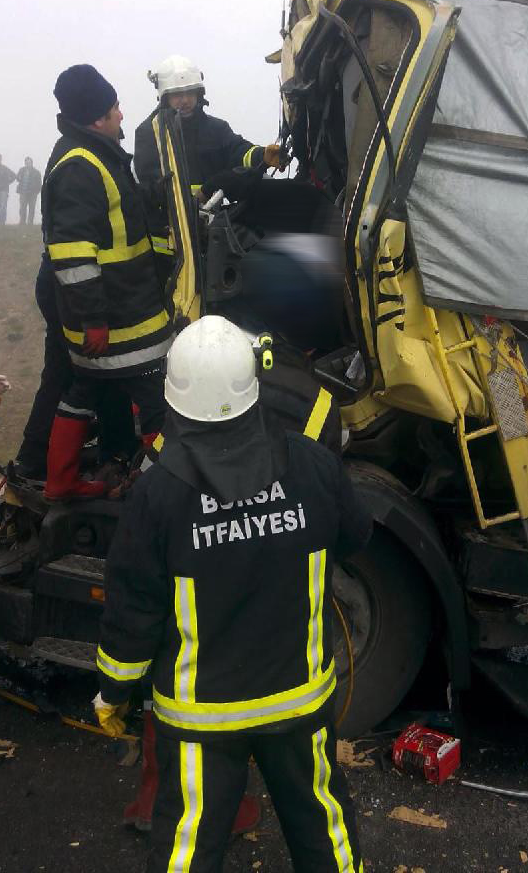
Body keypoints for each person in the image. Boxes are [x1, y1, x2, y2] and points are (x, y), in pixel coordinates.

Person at [94, 315, 371, 873]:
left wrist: (113, 693)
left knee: (188, 846)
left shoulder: (157, 494)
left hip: (203, 719)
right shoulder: (313, 465)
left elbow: (134, 610)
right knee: (323, 826)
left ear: (175, 396)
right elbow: (353, 537)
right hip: (297, 700)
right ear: (254, 385)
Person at [42, 64, 172, 499]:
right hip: (120, 318)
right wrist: (93, 319)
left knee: (84, 389)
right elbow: (73, 255)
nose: (121, 113)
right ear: (98, 118)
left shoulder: (97, 155)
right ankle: (163, 488)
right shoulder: (81, 166)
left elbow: (117, 219)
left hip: (117, 312)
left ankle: (62, 481)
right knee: (157, 398)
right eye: (115, 107)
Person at [134, 54, 284, 202]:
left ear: (198, 94)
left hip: (213, 214)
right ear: (165, 98)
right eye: (177, 94)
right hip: (172, 216)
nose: (185, 100)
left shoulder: (216, 129)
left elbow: (238, 151)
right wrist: (192, 200)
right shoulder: (149, 133)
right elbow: (150, 185)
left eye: (190, 92)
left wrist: (261, 155)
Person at [16, 157, 42, 224]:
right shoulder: (21, 170)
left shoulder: (36, 172)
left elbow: (39, 183)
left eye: (29, 162)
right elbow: (18, 178)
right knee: (22, 208)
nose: (28, 164)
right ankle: (22, 222)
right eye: (26, 163)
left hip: (33, 193)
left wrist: (36, 192)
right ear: (25, 163)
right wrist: (19, 178)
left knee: (32, 208)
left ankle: (30, 223)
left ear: (32, 163)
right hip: (23, 192)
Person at [0, 154, 16, 225]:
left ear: (1, 160)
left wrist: (6, 183)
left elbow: (14, 176)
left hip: (4, 191)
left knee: (3, 207)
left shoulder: (5, 168)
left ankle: (2, 222)